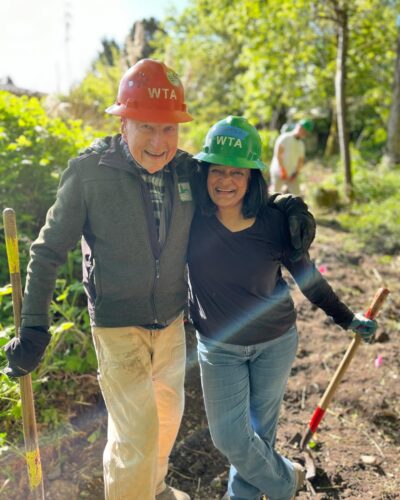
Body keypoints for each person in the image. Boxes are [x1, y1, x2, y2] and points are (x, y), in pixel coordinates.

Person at [4, 61, 316, 500]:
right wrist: (34, 326)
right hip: (117, 326)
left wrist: (285, 204)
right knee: (135, 439)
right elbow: (47, 250)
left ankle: (155, 489)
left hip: (171, 323)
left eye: (169, 130)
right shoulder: (89, 174)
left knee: (166, 422)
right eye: (147, 127)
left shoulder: (186, 169)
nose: (159, 142)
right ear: (123, 121)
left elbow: (236, 183)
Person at [187, 116, 378, 500]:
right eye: (217, 171)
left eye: (237, 172)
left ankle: (241, 497)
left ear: (253, 176)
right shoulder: (190, 219)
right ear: (204, 172)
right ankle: (284, 481)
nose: (226, 181)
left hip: (275, 342)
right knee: (230, 438)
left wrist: (347, 318)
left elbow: (308, 280)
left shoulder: (276, 221)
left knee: (259, 433)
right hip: (218, 346)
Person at [270, 118, 314, 196]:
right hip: (278, 172)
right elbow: (278, 155)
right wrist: (282, 171)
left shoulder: (301, 144)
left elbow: (300, 160)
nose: (301, 131)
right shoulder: (285, 138)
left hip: (291, 174)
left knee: (297, 196)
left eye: (304, 130)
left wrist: (296, 173)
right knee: (274, 194)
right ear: (297, 126)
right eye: (301, 128)